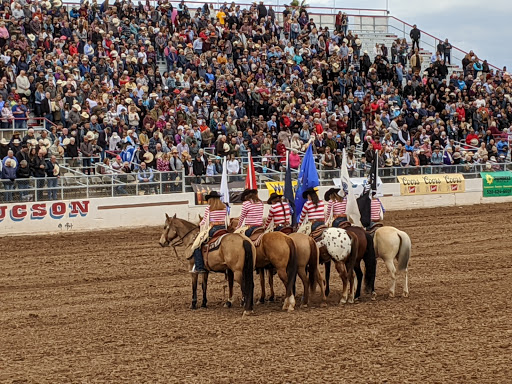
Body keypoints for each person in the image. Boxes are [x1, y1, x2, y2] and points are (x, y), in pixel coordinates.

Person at [191, 191, 228, 273]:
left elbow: (204, 221)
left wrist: (199, 224)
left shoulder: (209, 208)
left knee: (197, 244)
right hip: (223, 229)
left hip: (213, 229)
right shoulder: (224, 207)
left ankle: (199, 266)